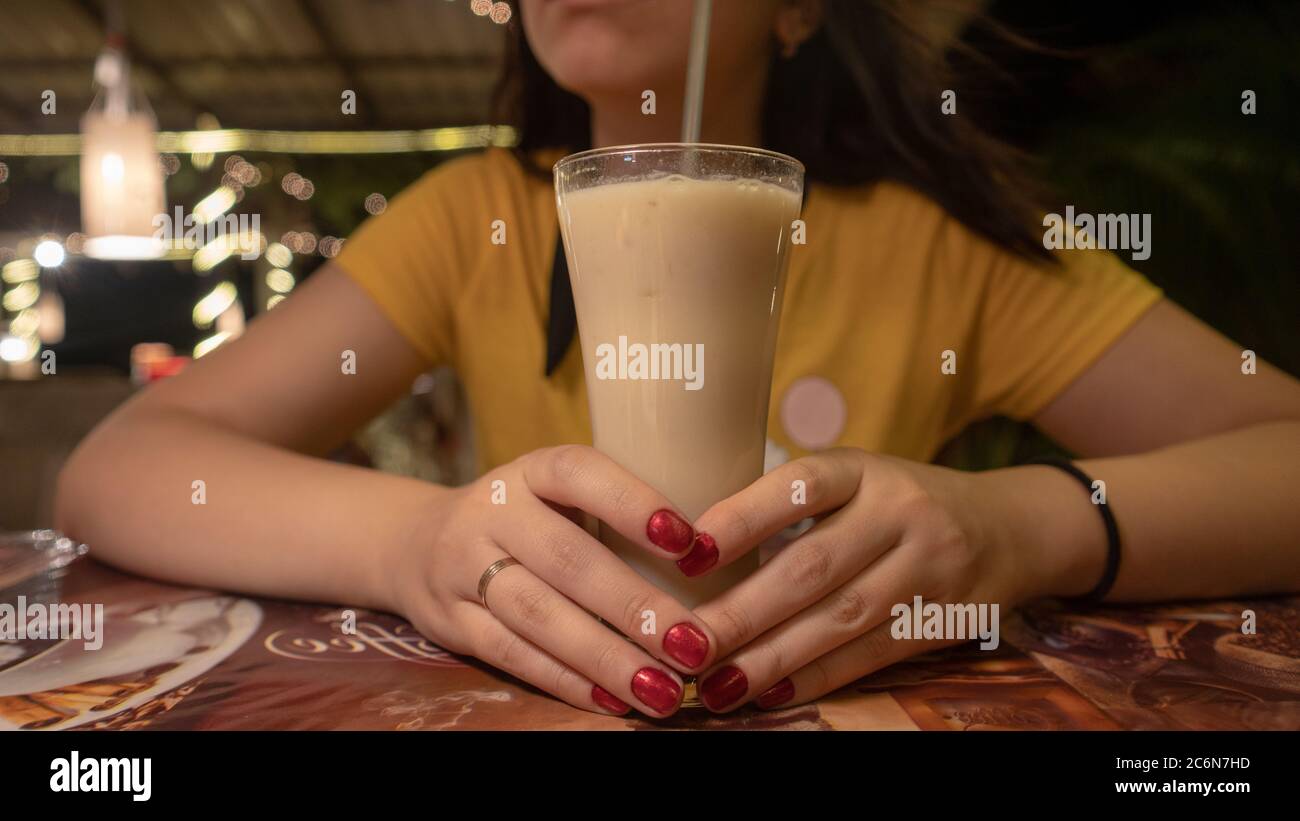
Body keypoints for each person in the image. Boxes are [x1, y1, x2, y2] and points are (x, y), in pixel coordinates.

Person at [56, 0, 1300, 718]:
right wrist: (410, 544)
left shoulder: (943, 253)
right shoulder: (475, 219)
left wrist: (1031, 523)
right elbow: (124, 467)